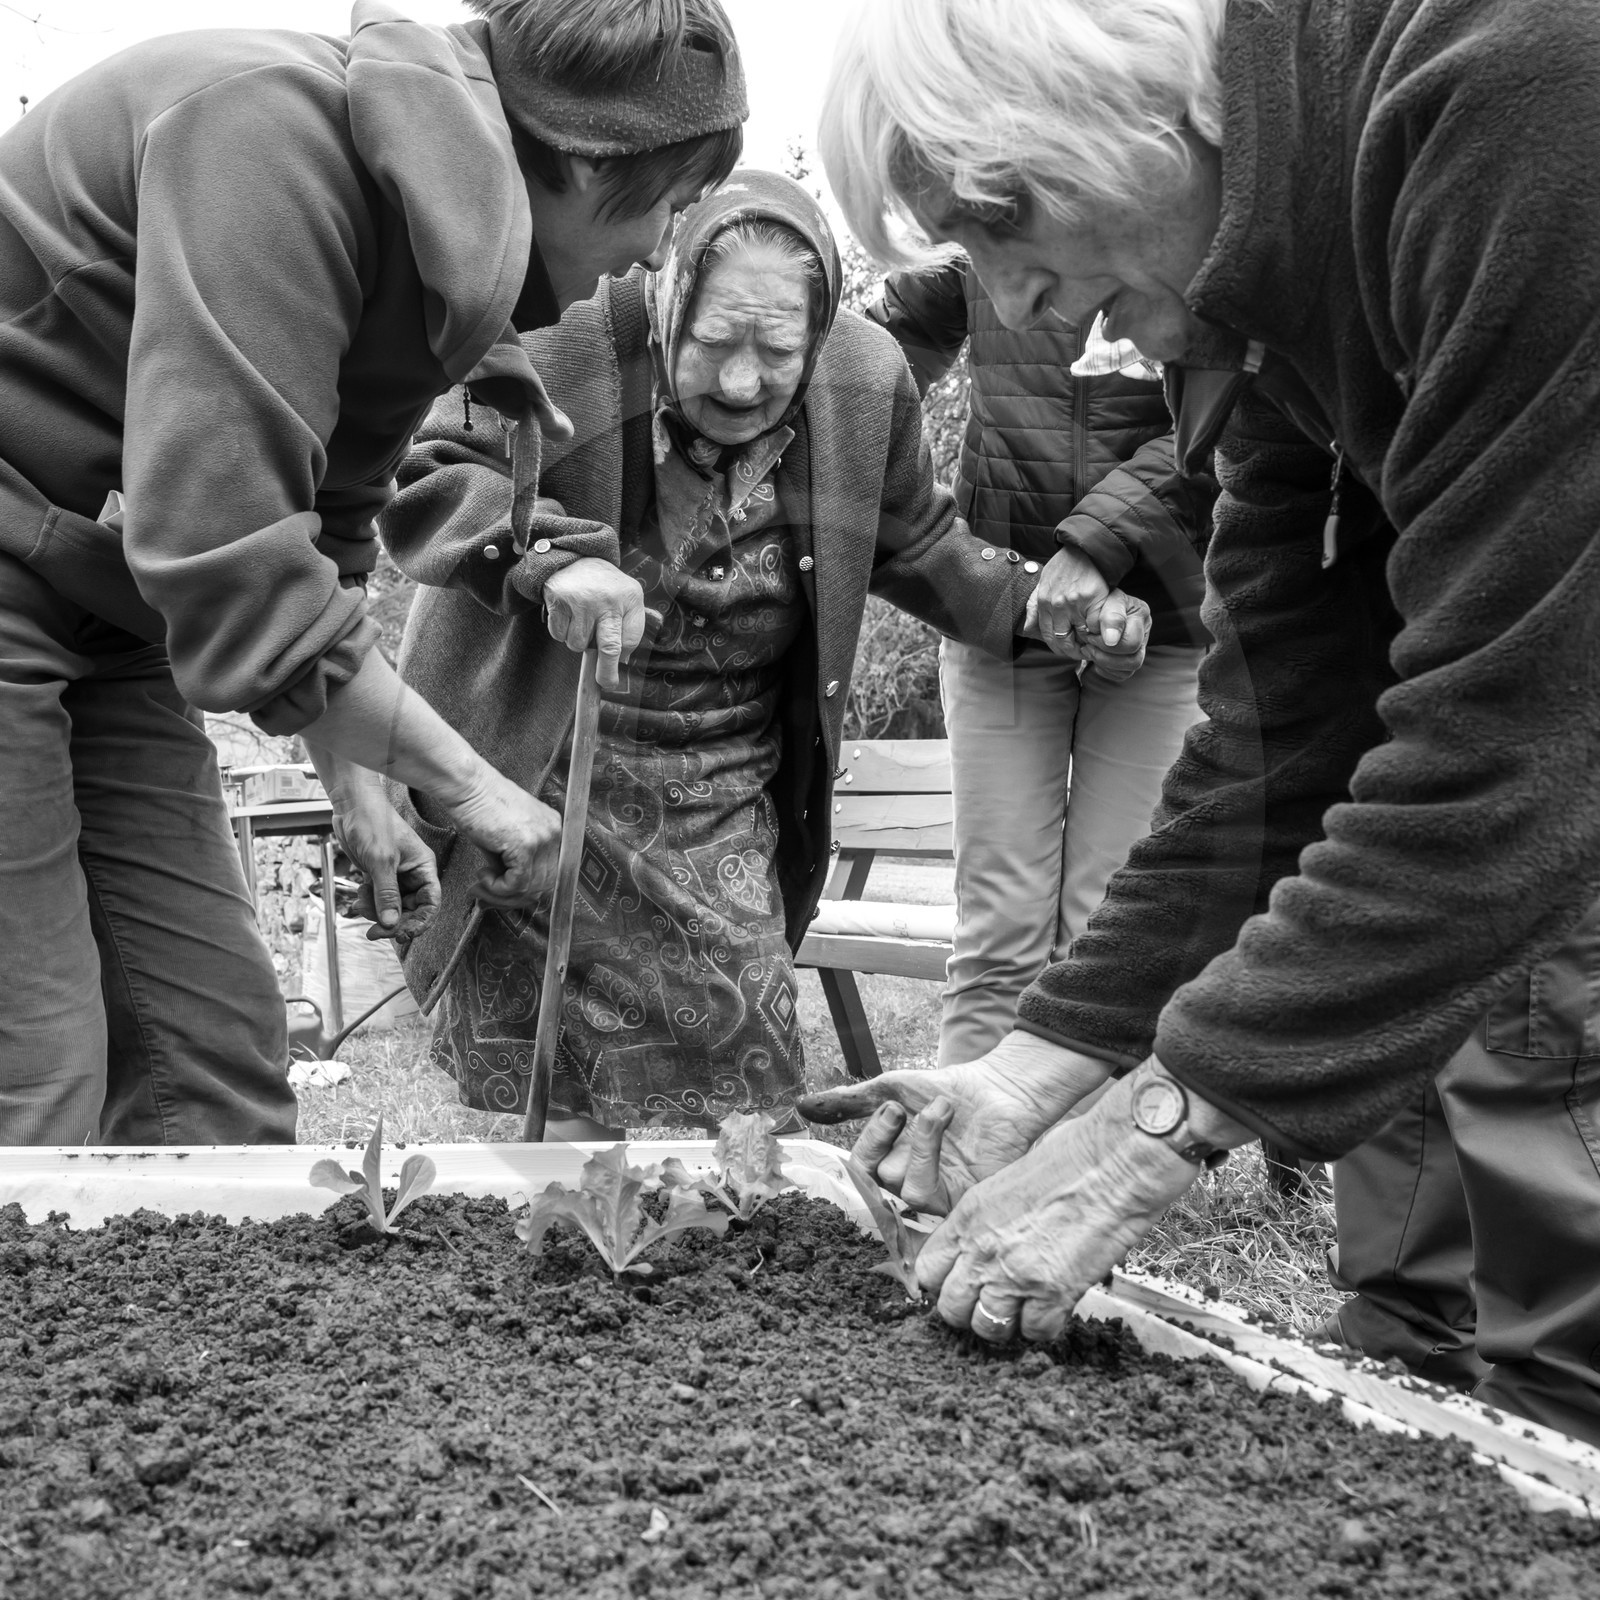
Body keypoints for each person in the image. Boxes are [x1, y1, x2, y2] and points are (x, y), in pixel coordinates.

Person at [806, 0, 1600, 1447]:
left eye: (1001, 218)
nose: (1012, 304)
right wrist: (1035, 1065)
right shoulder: (1263, 296)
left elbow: (1527, 732)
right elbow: (1275, 736)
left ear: (1118, 106)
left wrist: (1144, 1141)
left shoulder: (1522, 91)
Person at [0, 0, 749, 1146]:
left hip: (107, 610)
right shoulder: (266, 139)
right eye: (663, 205)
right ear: (584, 161)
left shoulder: (425, 249)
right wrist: (471, 785)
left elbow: (324, 534)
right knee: (32, 1073)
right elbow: (232, 569)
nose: (655, 250)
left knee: (214, 1068)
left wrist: (363, 782)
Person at [380, 170, 1145, 1138]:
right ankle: (573, 1254)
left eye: (778, 350)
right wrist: (546, 558)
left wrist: (1042, 604)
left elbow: (913, 540)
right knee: (562, 1083)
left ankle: (727, 1259)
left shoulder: (866, 378)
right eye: (712, 343)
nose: (741, 382)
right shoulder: (561, 330)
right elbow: (427, 473)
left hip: (721, 785)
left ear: (819, 330)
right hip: (550, 760)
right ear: (667, 297)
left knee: (749, 1076)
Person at [869, 260, 1211, 1065]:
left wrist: (1100, 543)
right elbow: (857, 381)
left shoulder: (1191, 245)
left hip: (1162, 624)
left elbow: (1224, 421)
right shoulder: (978, 255)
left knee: (1109, 928)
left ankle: (1088, 1178)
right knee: (999, 934)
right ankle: (954, 1179)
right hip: (1003, 622)